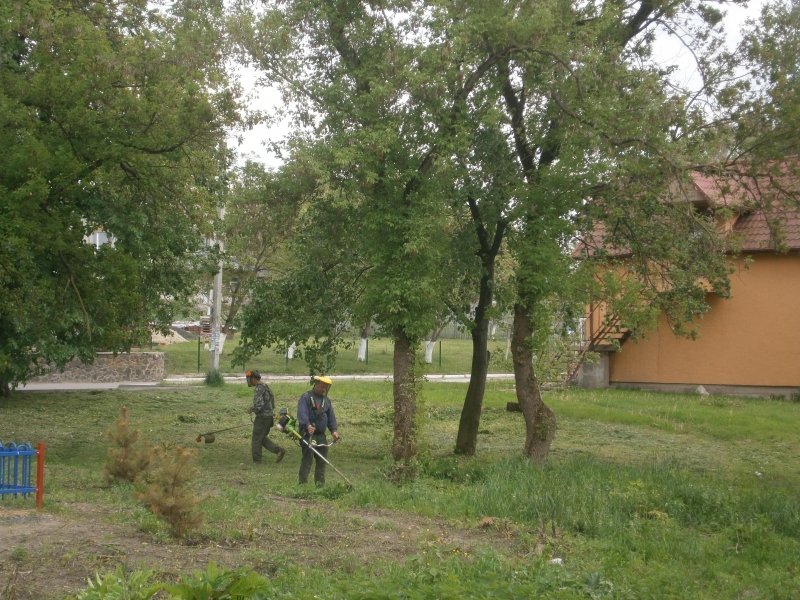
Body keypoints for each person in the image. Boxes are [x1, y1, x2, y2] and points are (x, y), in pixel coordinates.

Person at [296, 375, 340, 486]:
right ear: (316, 384)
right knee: (307, 460)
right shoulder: (306, 397)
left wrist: (334, 431)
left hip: (321, 436)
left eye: (326, 387)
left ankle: (320, 485)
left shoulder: (327, 401)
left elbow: (331, 418)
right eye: (322, 386)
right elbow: (302, 413)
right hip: (308, 434)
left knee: (322, 461)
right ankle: (302, 484)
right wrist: (307, 425)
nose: (324, 389)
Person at [246, 370, 285, 464]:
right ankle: (278, 450)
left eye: (249, 379)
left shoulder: (259, 388)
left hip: (262, 418)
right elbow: (272, 401)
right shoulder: (265, 386)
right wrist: (270, 412)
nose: (248, 381)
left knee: (256, 438)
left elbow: (258, 405)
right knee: (261, 437)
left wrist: (251, 409)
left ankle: (257, 461)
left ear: (254, 378)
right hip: (269, 418)